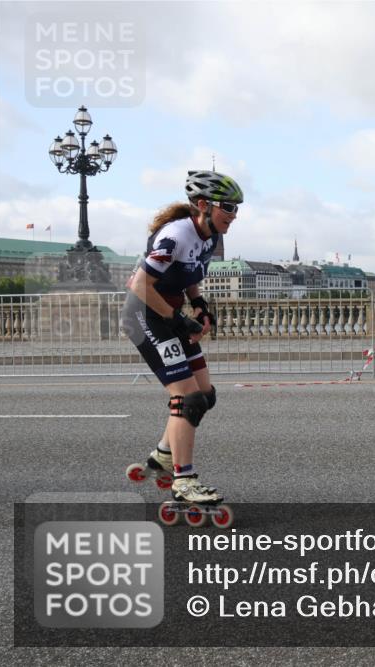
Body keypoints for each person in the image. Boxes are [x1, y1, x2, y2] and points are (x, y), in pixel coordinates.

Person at [122, 170, 243, 507]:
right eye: (228, 208)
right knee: (186, 399)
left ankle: (163, 454)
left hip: (170, 313)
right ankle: (184, 479)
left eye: (237, 209)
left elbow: (190, 275)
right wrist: (178, 319)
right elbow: (139, 286)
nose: (234, 216)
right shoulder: (175, 235)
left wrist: (200, 305)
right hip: (144, 314)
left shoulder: (209, 236)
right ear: (203, 204)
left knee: (205, 395)